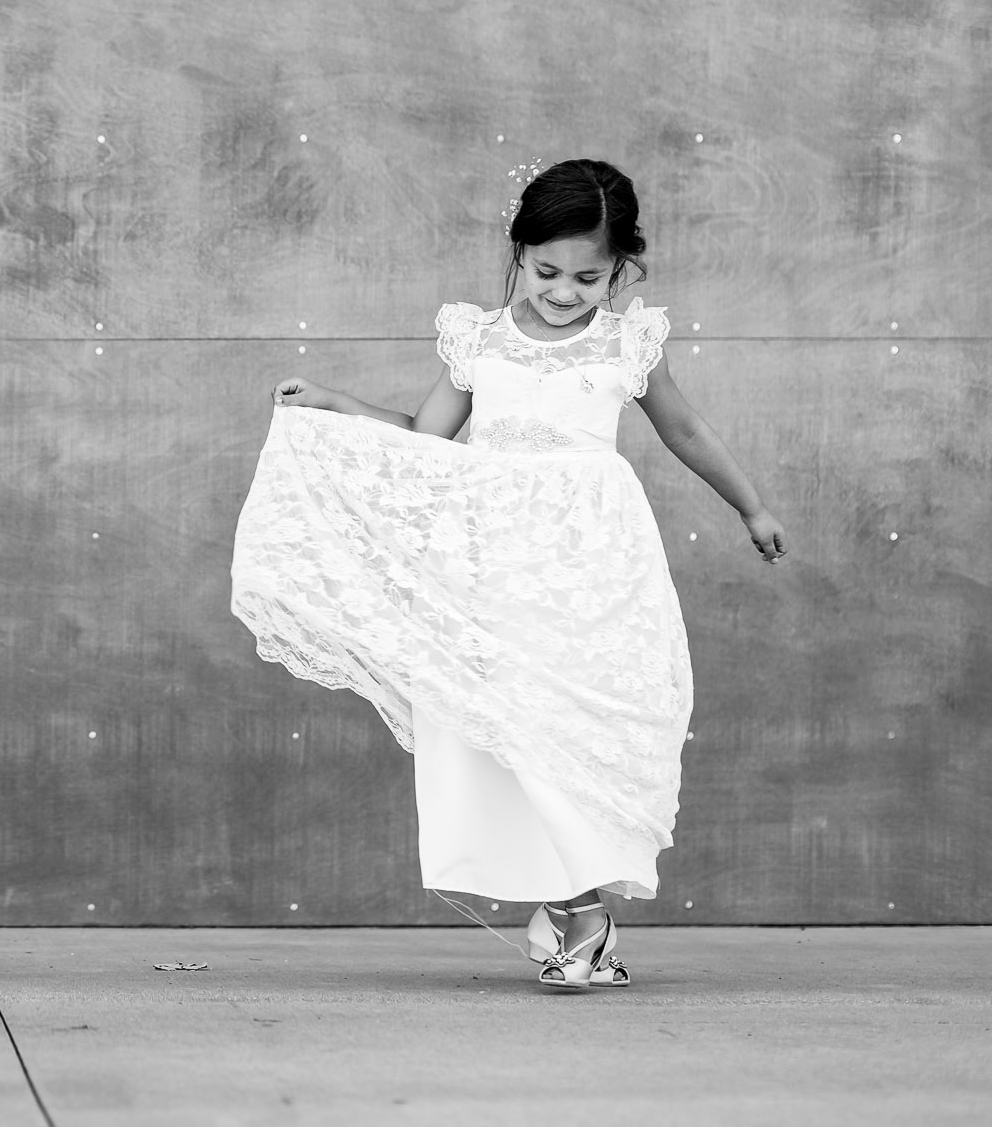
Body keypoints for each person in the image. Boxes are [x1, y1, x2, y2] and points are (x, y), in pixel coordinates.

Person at [231, 158, 785, 992]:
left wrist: (752, 507)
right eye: (546, 270)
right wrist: (338, 403)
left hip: (592, 559)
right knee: (511, 724)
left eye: (589, 277)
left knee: (571, 721)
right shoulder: (479, 339)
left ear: (620, 269)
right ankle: (575, 910)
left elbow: (688, 432)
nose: (564, 291)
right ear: (518, 253)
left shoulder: (627, 341)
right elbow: (426, 435)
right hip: (492, 553)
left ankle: (577, 909)